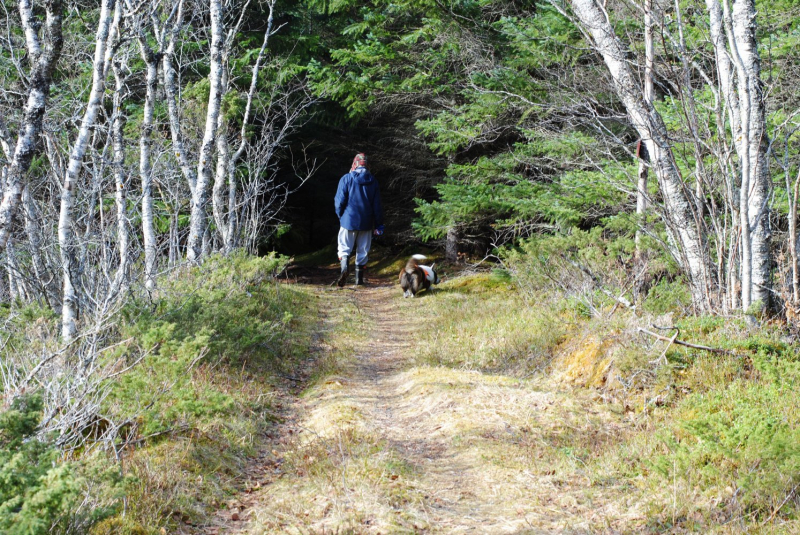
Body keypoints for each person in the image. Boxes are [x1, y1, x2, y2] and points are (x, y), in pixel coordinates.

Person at [334, 153, 384, 287]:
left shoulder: (346, 179)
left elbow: (339, 202)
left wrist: (341, 216)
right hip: (366, 222)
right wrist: (379, 225)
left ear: (354, 164)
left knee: (344, 248)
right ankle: (359, 281)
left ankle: (344, 268)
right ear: (367, 165)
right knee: (363, 251)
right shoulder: (373, 181)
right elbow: (377, 206)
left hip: (348, 220)